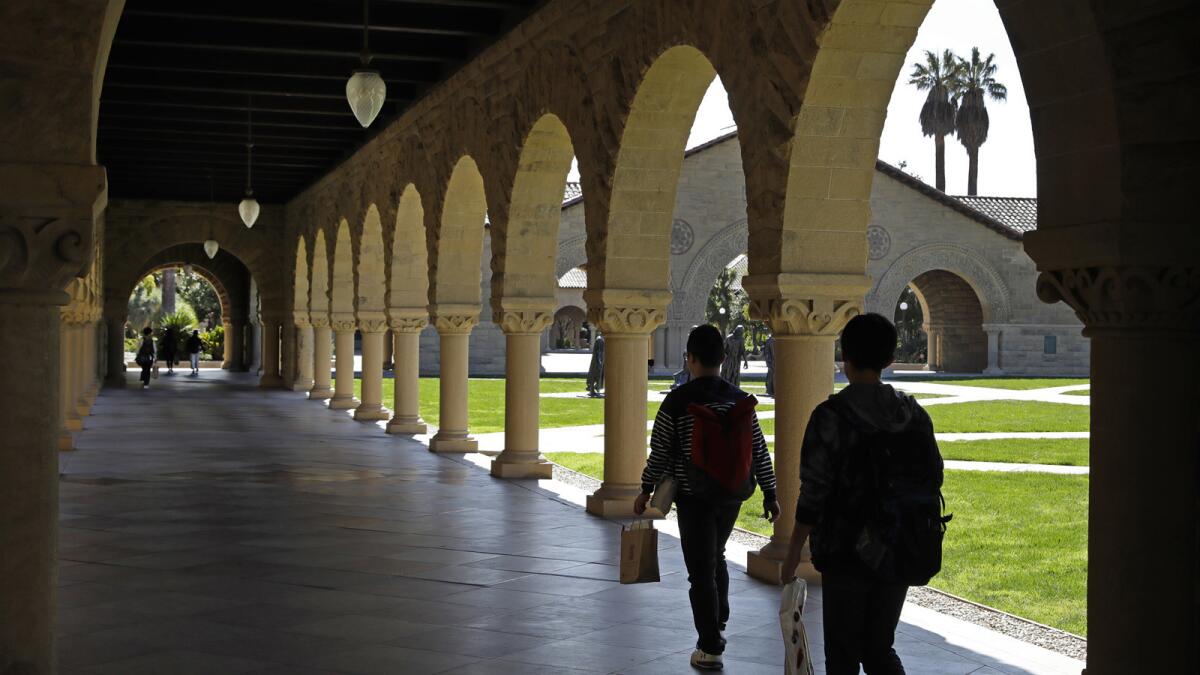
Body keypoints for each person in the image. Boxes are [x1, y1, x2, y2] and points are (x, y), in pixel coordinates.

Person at [782, 313, 944, 675]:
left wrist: (793, 551)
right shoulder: (914, 415)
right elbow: (934, 476)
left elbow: (814, 491)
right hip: (899, 541)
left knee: (842, 654)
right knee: (879, 647)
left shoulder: (830, 417)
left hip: (845, 549)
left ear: (845, 357)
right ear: (889, 359)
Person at [635, 324, 780, 671]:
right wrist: (771, 493)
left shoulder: (678, 401)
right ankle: (720, 616)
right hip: (732, 494)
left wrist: (645, 488)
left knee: (699, 570)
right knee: (715, 555)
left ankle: (710, 646)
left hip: (694, 495)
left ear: (690, 359)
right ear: (724, 359)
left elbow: (660, 452)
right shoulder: (739, 400)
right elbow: (759, 450)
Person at [585, 332, 605, 397]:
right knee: (595, 375)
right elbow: (599, 352)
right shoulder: (600, 339)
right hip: (598, 360)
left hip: (599, 359)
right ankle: (592, 390)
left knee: (596, 375)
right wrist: (600, 361)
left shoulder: (601, 339)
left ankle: (594, 389)